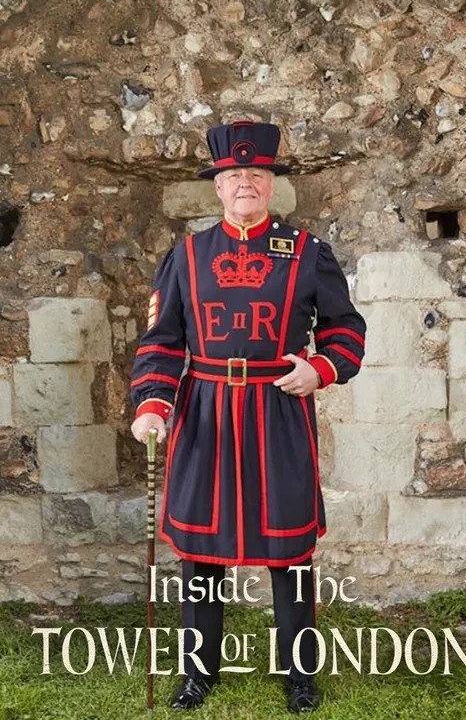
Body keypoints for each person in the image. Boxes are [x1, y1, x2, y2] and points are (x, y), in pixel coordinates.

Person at [129, 120, 367, 712]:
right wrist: (153, 404)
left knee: (289, 552)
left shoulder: (309, 252)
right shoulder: (185, 256)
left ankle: (300, 673)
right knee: (202, 552)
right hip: (203, 411)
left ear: (271, 184)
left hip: (278, 410)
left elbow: (347, 329)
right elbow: (161, 342)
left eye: (256, 174)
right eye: (234, 175)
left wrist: (322, 369)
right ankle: (198, 672)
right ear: (218, 186)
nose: (244, 183)